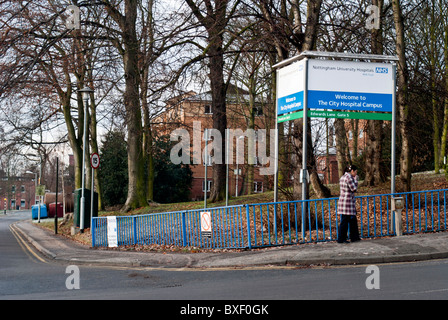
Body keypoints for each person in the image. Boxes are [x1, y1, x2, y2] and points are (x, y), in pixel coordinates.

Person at [337, 164, 361, 243]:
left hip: (343, 202)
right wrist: (356, 180)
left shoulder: (343, 177)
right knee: (346, 221)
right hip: (348, 203)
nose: (356, 173)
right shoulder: (349, 178)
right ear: (352, 171)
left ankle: (353, 237)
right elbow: (354, 189)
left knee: (350, 220)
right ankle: (343, 238)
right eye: (356, 171)